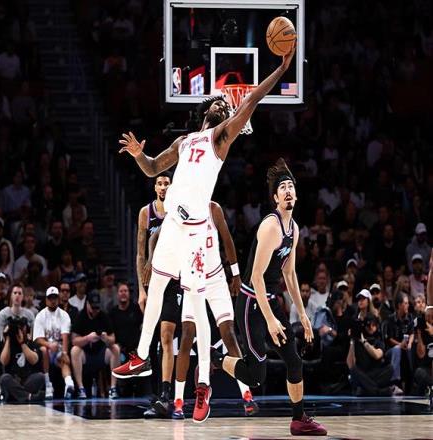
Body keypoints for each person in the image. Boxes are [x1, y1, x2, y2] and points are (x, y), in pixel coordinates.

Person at [114, 44, 296, 424]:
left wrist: (282, 69)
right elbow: (153, 168)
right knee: (156, 285)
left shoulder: (220, 138)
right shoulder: (184, 142)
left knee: (197, 318)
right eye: (216, 103)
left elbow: (252, 99)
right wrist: (137, 155)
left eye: (224, 106)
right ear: (204, 111)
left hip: (197, 236)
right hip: (173, 226)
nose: (220, 105)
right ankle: (142, 357)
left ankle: (204, 386)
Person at [210, 158, 327, 435]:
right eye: (282, 187)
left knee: (294, 360)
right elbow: (256, 277)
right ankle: (214, 359)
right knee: (256, 376)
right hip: (251, 303)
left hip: (270, 300)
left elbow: (290, 273)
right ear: (275, 197)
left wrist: (303, 315)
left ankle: (298, 419)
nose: (287, 191)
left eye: (290, 186)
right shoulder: (270, 226)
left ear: (296, 194)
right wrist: (270, 319)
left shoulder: (293, 229)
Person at [173, 201, 258, 419]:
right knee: (186, 337)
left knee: (229, 334)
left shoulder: (213, 209)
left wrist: (236, 274)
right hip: (192, 280)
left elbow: (227, 239)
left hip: (216, 279)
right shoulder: (180, 212)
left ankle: (247, 395)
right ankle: (178, 401)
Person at [134, 171, 184, 417]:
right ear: (155, 187)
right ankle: (156, 396)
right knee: (152, 342)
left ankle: (167, 395)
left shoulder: (179, 212)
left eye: (167, 183)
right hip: (153, 282)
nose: (163, 187)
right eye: (160, 183)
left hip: (175, 281)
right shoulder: (146, 212)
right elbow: (140, 254)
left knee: (167, 336)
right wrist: (141, 290)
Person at [71, 290, 120, 399]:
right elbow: (74, 340)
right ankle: (81, 388)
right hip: (86, 354)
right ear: (87, 304)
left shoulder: (104, 316)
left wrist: (106, 338)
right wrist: (87, 338)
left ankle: (113, 387)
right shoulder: (81, 316)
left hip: (101, 353)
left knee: (115, 348)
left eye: (97, 308)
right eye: (93, 308)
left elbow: (113, 338)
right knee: (74, 350)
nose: (95, 311)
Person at [33, 286, 75, 399]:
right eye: (50, 298)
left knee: (63, 357)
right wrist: (49, 345)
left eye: (55, 298)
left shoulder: (64, 315)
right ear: (46, 299)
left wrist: (65, 353)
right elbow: (37, 338)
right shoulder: (40, 316)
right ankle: (48, 384)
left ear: (58, 299)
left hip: (58, 349)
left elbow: (65, 336)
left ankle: (69, 384)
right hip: (45, 349)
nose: (53, 300)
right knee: (44, 350)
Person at [346, 314, 397, 396]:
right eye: (368, 325)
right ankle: (378, 391)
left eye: (373, 325)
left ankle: (364, 389)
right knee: (353, 371)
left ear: (376, 326)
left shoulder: (378, 341)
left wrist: (364, 342)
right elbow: (350, 364)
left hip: (375, 373)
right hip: (362, 373)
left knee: (390, 369)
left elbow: (377, 355)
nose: (370, 327)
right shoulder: (357, 342)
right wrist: (352, 341)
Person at [0, 316, 45, 403]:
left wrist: (22, 343)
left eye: (21, 328)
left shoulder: (31, 343)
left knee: (40, 377)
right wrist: (8, 338)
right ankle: (28, 397)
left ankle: (19, 395)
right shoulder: (7, 344)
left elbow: (34, 360)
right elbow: (4, 362)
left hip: (27, 381)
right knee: (4, 378)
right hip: (13, 380)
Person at [382, 292, 414, 388]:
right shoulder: (390, 319)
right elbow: (389, 339)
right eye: (406, 303)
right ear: (399, 305)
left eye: (408, 303)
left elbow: (412, 333)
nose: (408, 305)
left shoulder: (410, 318)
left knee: (411, 349)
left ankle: (412, 381)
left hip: (405, 347)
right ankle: (394, 382)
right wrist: (400, 345)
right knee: (397, 349)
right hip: (391, 350)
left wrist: (410, 343)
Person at [413, 306, 433, 403]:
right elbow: (421, 354)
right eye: (427, 316)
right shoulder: (423, 332)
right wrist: (419, 334)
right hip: (426, 369)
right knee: (419, 372)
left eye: (432, 316)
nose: (430, 319)